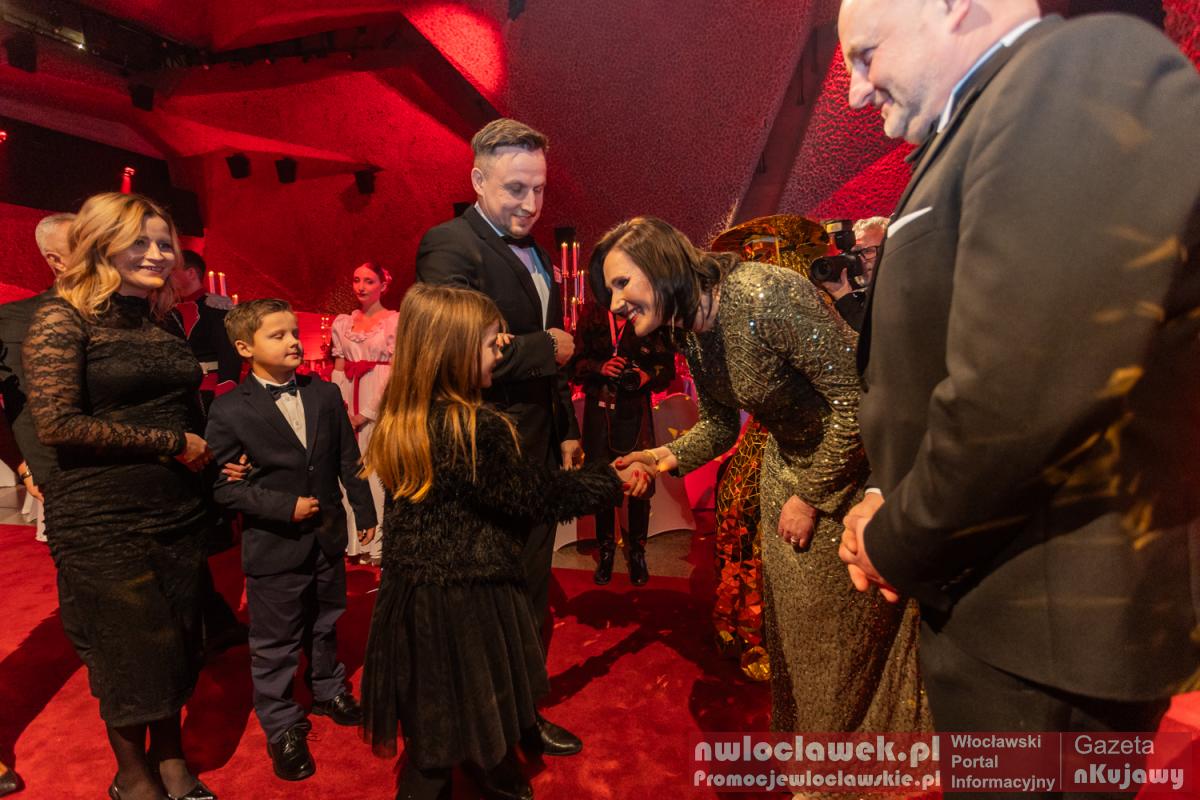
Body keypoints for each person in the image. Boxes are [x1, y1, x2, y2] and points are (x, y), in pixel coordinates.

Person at [835, 0, 1200, 765]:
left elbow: (1018, 394)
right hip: (1001, 611)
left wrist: (892, 541)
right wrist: (883, 490)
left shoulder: (1074, 69)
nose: (857, 92)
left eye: (866, 55)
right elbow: (929, 370)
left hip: (1050, 638)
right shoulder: (980, 122)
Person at [604, 217, 928, 746]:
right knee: (795, 640)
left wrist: (811, 496)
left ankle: (854, 763)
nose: (616, 303)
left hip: (846, 475)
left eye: (622, 283)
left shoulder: (763, 293)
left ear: (661, 267)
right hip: (784, 477)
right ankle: (813, 759)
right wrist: (659, 456)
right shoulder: (689, 330)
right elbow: (718, 424)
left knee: (839, 641)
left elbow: (857, 398)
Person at [360, 283, 651, 800]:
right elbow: (534, 497)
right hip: (469, 593)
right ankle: (482, 768)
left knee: (435, 708)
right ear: (453, 352)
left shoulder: (404, 416)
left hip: (413, 594)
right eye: (492, 342)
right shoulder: (474, 428)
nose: (502, 351)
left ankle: (486, 766)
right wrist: (611, 480)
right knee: (471, 704)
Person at [24, 193, 216, 800]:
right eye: (139, 242)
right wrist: (171, 443)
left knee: (178, 636)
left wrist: (214, 459)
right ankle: (133, 777)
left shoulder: (160, 318)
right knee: (130, 648)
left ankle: (172, 759)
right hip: (102, 516)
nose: (157, 254)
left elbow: (183, 407)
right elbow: (57, 423)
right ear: (101, 244)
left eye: (164, 243)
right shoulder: (63, 317)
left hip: (178, 509)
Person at [415, 117, 583, 756]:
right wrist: (547, 346)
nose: (531, 204)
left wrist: (565, 428)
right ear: (478, 180)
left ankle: (522, 715)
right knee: (484, 598)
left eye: (539, 189)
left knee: (530, 590)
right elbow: (454, 349)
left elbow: (541, 365)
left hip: (537, 451)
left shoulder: (536, 251)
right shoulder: (448, 245)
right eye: (516, 188)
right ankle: (481, 731)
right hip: (482, 456)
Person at [205, 298, 377, 782]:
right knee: (275, 640)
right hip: (274, 543)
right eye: (277, 335)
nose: (294, 342)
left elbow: (348, 458)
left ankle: (328, 689)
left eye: (294, 333)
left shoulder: (324, 393)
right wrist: (284, 507)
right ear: (245, 348)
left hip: (327, 535)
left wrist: (363, 510)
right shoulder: (229, 408)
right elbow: (222, 486)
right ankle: (281, 723)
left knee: (326, 620)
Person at [570, 302, 675, 585]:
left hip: (635, 409)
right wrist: (600, 366)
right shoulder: (592, 314)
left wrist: (647, 375)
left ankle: (637, 551)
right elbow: (574, 364)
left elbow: (668, 369)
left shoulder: (649, 314)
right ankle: (606, 550)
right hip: (598, 410)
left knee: (641, 479)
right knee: (603, 481)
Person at [0, 213, 74, 542]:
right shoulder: (13, 319)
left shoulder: (131, 313)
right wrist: (23, 465)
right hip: (61, 476)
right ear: (56, 259)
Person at [330, 261, 398, 566]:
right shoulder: (343, 323)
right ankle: (356, 542)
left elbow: (396, 372)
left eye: (369, 281)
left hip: (379, 398)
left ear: (383, 285)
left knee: (377, 470)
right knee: (350, 468)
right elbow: (339, 366)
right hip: (349, 395)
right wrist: (338, 407)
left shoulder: (395, 321)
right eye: (357, 280)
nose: (361, 286)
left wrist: (368, 412)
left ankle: (381, 544)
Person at [168, 250, 241, 411]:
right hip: (177, 394)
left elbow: (229, 354)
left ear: (191, 273)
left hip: (206, 393)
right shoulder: (169, 309)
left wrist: (224, 398)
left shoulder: (216, 306)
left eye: (172, 270)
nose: (167, 274)